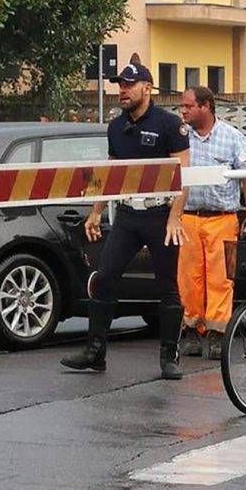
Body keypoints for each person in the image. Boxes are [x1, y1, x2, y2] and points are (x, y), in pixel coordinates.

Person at [60, 57, 190, 380]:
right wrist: (96, 211)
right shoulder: (116, 127)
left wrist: (176, 217)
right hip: (129, 214)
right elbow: (109, 174)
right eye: (120, 85)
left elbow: (183, 175)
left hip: (161, 213)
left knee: (167, 286)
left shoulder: (169, 124)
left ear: (147, 88)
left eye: (130, 85)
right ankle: (95, 352)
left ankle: (169, 356)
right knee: (104, 277)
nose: (123, 91)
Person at [178, 87, 246, 360]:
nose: (183, 111)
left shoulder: (232, 137)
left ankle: (216, 334)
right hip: (188, 217)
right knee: (189, 279)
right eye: (182, 106)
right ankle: (191, 329)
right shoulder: (181, 138)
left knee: (221, 279)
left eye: (188, 106)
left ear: (206, 106)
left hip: (223, 219)